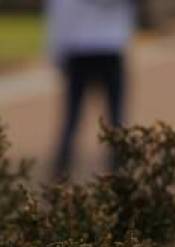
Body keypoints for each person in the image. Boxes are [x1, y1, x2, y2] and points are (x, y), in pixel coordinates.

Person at [46, 0, 136, 178]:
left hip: (79, 50)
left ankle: (61, 169)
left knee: (73, 116)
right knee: (115, 117)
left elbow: (58, 17)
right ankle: (120, 170)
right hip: (109, 48)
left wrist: (56, 55)